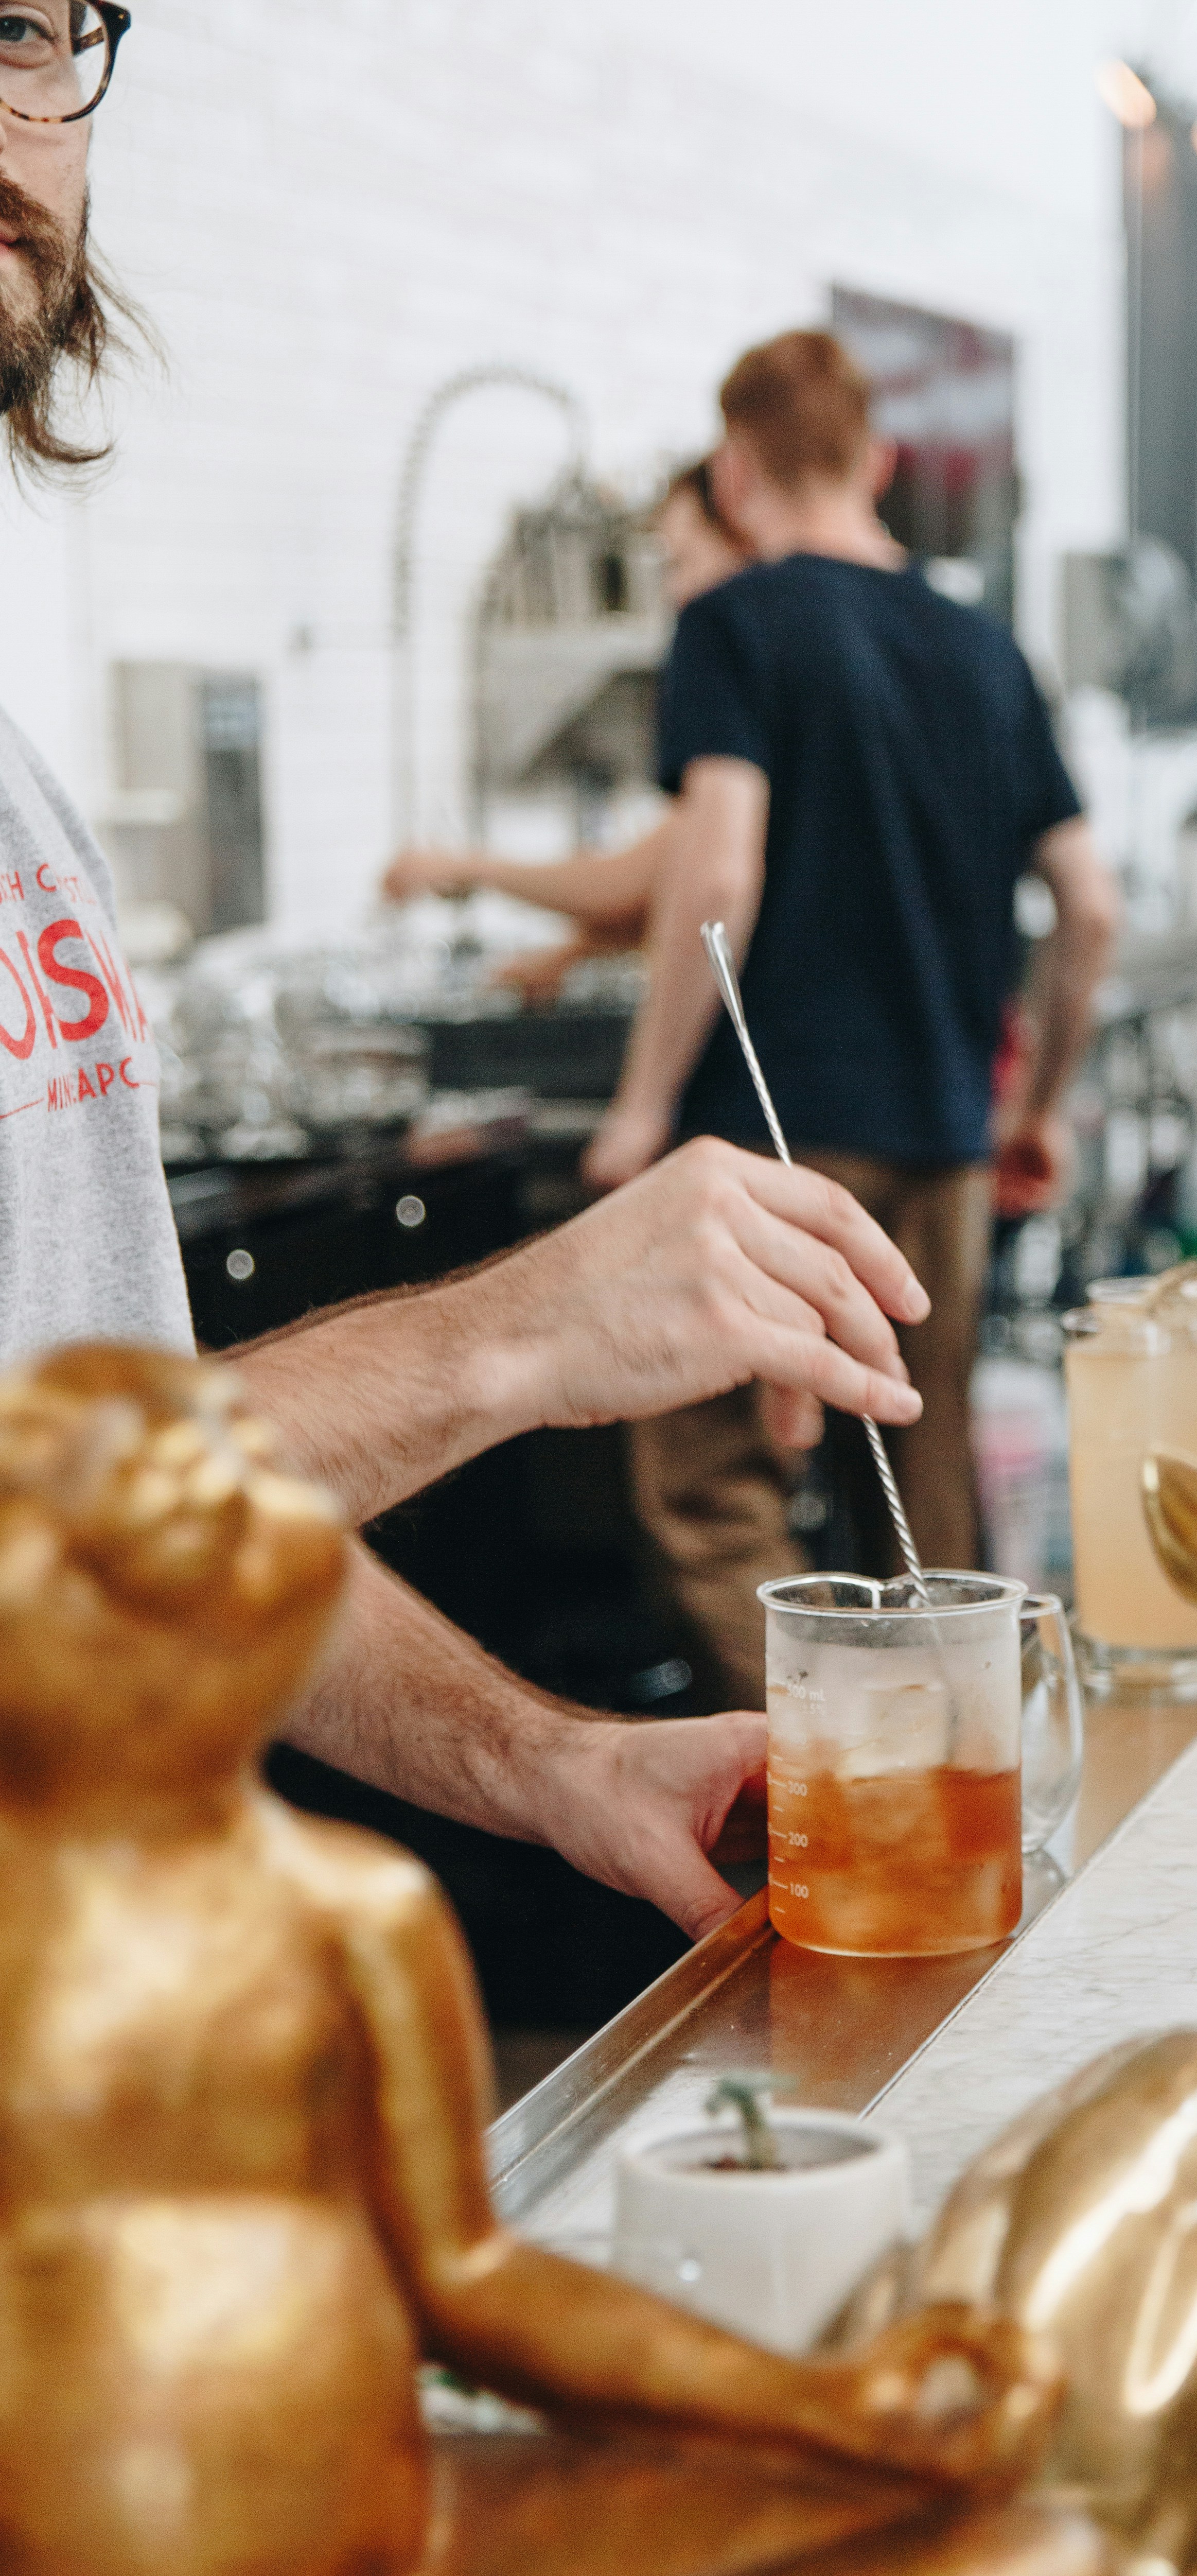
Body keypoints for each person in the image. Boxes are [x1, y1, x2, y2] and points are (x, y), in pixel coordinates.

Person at [0, 26, 931, 1946]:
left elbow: (161, 1506)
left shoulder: (25, 799)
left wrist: (549, 1758)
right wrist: (508, 1336)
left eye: (25, 27)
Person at [585, 328, 1119, 1707]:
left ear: (736, 470)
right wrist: (1037, 1106)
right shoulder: (987, 647)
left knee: (707, 1483)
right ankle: (957, 1795)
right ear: (875, 461)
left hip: (772, 1144)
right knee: (919, 1501)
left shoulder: (736, 622)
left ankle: (841, 1759)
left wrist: (641, 1107)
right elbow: (1091, 906)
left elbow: (719, 865)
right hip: (942, 1141)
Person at [380, 459, 752, 997]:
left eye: (681, 562)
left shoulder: (739, 673)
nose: (674, 591)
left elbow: (639, 881)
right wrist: (576, 953)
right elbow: (673, 888)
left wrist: (465, 867)